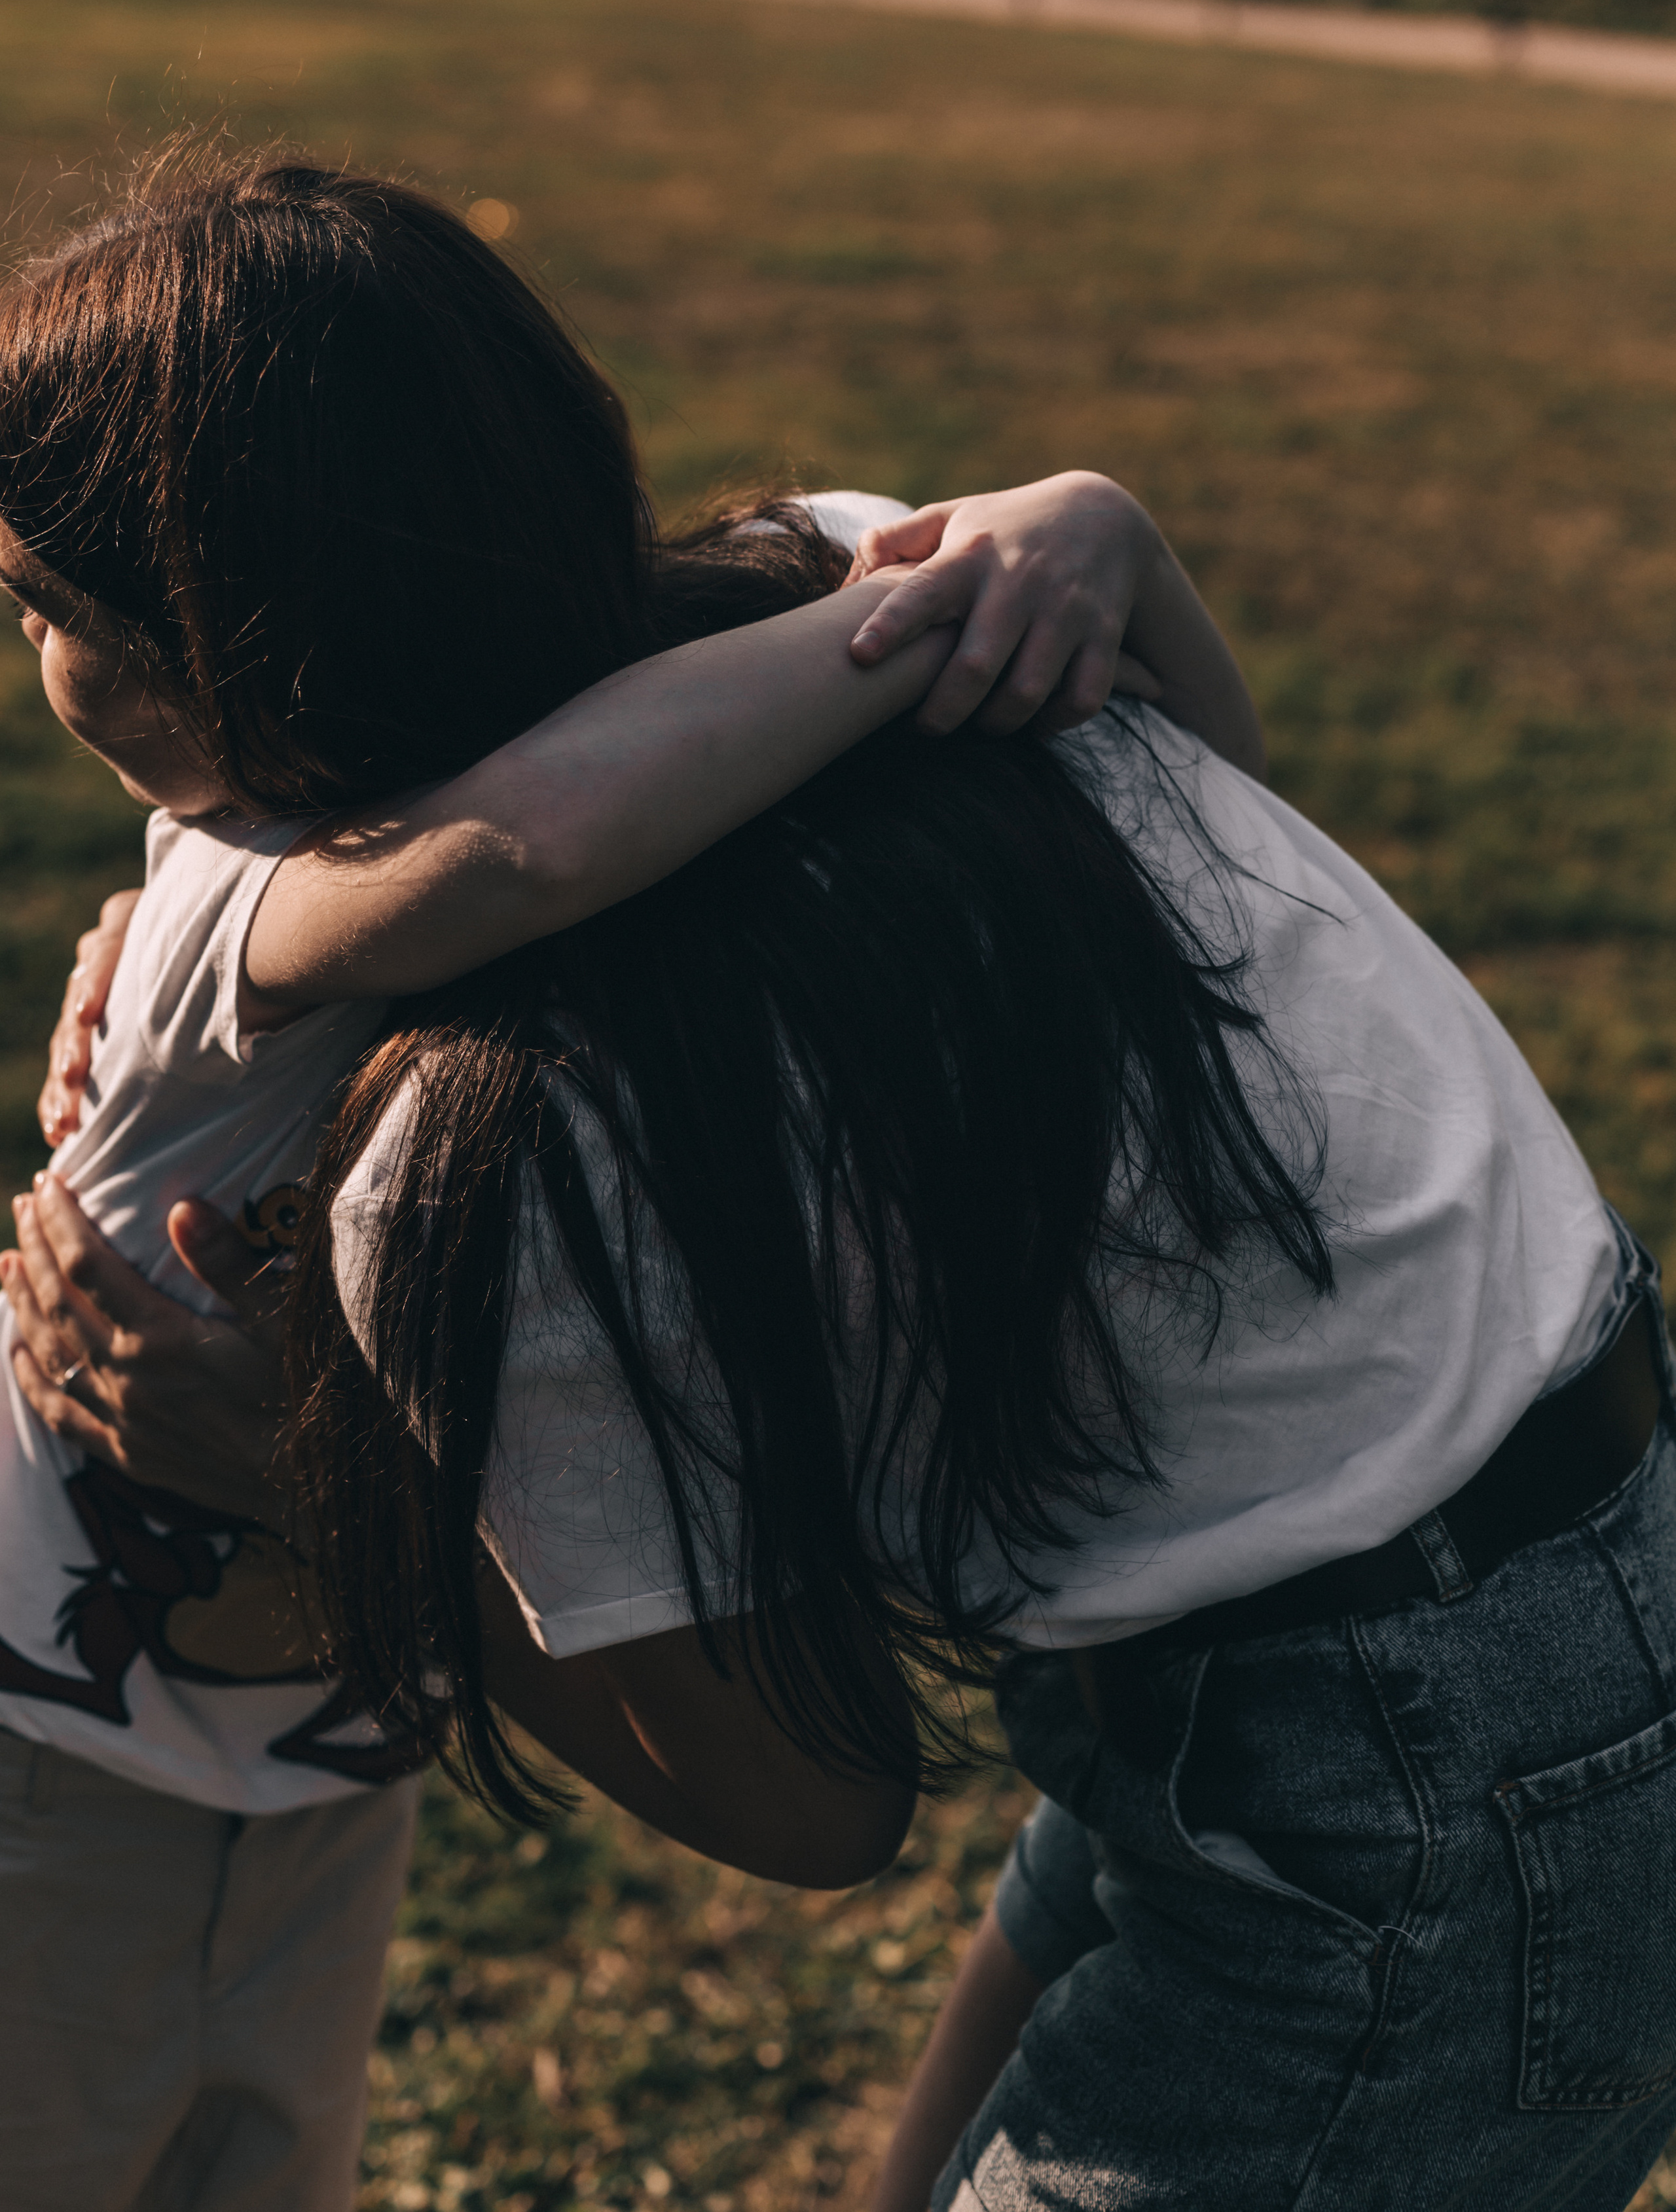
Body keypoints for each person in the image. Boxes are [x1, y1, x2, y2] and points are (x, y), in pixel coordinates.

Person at [10, 158, 1676, 2212]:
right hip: (1536, 1507)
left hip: (1406, 1748)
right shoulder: (870, 583)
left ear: (221, 644)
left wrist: (320, 1482)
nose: (29, 651)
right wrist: (1080, 535)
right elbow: (1222, 789)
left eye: (46, 610)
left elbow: (814, 1802)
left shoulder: (500, 1146)